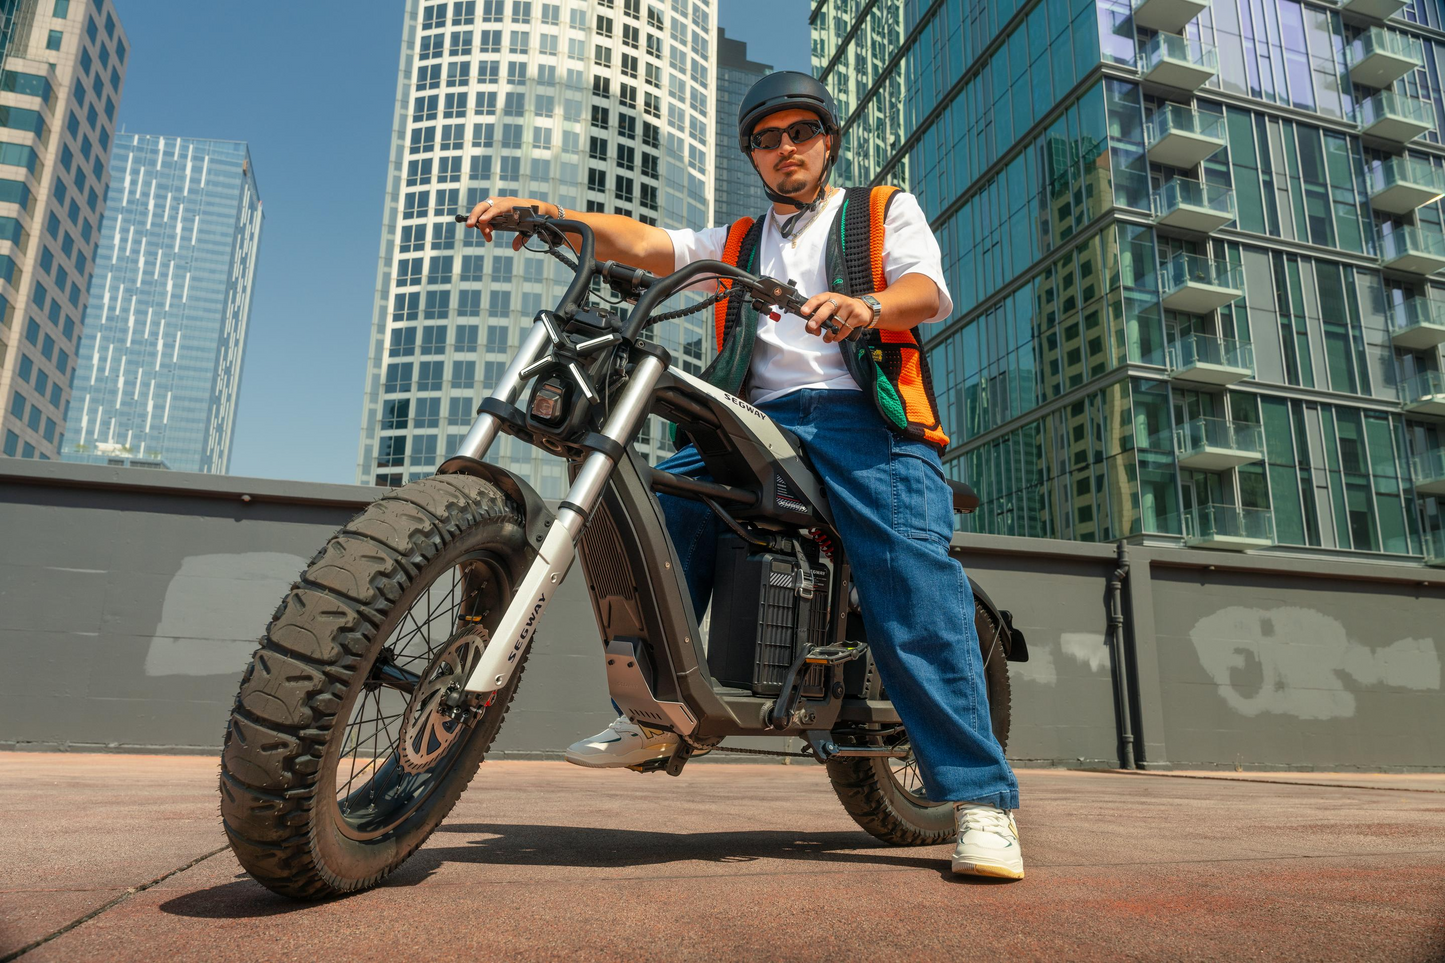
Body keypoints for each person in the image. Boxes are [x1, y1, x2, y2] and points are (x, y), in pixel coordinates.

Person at [464, 72, 1024, 880]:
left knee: (910, 576)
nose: (784, 148)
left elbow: (924, 290)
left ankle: (980, 800)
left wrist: (866, 306)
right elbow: (646, 244)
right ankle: (656, 712)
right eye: (767, 139)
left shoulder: (879, 209)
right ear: (752, 156)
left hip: (863, 415)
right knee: (658, 507)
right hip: (757, 414)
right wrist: (547, 212)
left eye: (800, 133)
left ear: (827, 142)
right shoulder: (734, 241)